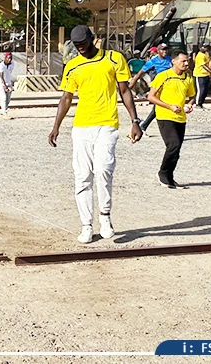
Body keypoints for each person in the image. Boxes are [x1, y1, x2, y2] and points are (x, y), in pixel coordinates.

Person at [48, 25, 143, 244]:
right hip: (81, 127)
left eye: (83, 43)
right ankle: (86, 225)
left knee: (103, 170)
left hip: (107, 124)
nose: (80, 47)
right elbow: (66, 98)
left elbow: (125, 90)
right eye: (77, 44)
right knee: (82, 176)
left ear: (93, 39)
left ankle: (105, 217)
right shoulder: (72, 66)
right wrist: (56, 127)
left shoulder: (113, 59)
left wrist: (135, 121)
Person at [146, 51, 196, 189]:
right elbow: (151, 96)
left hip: (181, 118)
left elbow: (192, 95)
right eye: (183, 61)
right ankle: (162, 173)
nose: (186, 63)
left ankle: (169, 177)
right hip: (165, 115)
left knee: (176, 148)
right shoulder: (164, 76)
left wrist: (190, 104)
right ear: (173, 61)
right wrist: (169, 106)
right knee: (173, 144)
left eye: (187, 61)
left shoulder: (188, 77)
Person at [127, 43, 172, 135]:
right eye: (163, 50)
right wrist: (128, 89)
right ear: (158, 51)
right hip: (159, 87)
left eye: (166, 49)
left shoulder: (169, 59)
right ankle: (144, 126)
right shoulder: (153, 61)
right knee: (158, 108)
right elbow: (139, 73)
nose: (165, 51)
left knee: (161, 108)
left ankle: (144, 126)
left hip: (170, 86)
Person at [0, 52, 16, 118]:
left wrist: (8, 83)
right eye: (8, 58)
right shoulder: (1, 65)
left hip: (8, 82)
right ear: (5, 58)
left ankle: (4, 110)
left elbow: (9, 73)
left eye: (10, 58)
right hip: (1, 83)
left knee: (8, 98)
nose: (9, 60)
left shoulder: (12, 64)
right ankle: (4, 112)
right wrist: (5, 86)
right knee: (3, 97)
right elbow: (1, 76)